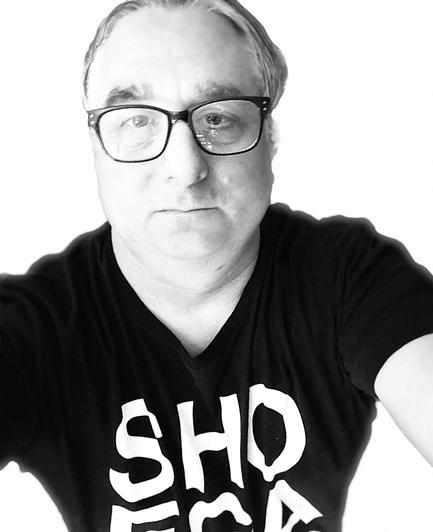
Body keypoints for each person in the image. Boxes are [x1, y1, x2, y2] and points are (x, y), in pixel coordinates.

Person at [0, 0, 432, 530]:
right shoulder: (30, 326)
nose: (185, 168)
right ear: (95, 146)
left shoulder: (348, 276)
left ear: (270, 139)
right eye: (136, 120)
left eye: (219, 117)